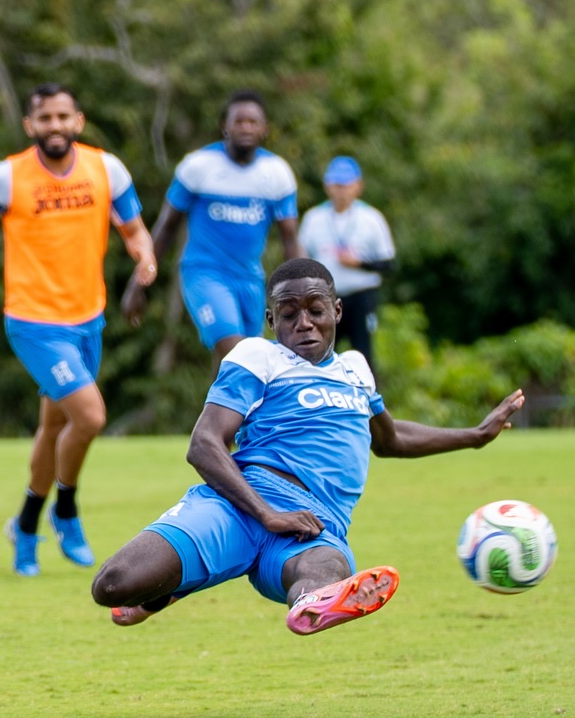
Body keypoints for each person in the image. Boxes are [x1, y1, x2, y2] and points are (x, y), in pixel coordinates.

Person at [92, 257, 524, 635]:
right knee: (112, 585)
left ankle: (311, 604)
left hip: (312, 526)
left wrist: (474, 435)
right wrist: (267, 513)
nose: (304, 323)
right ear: (271, 320)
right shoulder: (257, 356)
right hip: (241, 506)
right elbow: (204, 444)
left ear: (336, 311)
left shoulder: (356, 369)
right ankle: (164, 591)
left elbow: (390, 440)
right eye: (288, 314)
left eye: (316, 310)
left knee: (324, 571)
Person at [0, 83, 157, 577]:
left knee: (53, 428)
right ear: (31, 126)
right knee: (89, 416)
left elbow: (133, 228)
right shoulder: (6, 178)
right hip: (33, 321)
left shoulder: (107, 169)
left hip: (88, 319)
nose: (55, 126)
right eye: (45, 118)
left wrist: (145, 255)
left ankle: (25, 525)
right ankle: (65, 510)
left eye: (63, 116)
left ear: (78, 121)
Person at [121, 90, 305, 377]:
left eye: (253, 122)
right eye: (239, 121)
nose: (246, 127)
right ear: (225, 126)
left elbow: (290, 239)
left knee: (240, 363)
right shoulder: (198, 166)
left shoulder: (277, 173)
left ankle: (228, 421)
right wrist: (138, 283)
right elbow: (166, 228)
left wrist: (307, 287)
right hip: (204, 273)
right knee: (238, 353)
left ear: (264, 128)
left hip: (250, 279)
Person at [298, 156, 396, 363]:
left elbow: (388, 263)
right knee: (318, 353)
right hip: (325, 297)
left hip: (361, 296)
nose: (340, 190)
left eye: (346, 185)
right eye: (336, 184)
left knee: (362, 354)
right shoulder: (314, 218)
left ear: (358, 186)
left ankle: (366, 394)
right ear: (327, 186)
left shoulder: (371, 218)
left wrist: (359, 263)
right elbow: (301, 259)